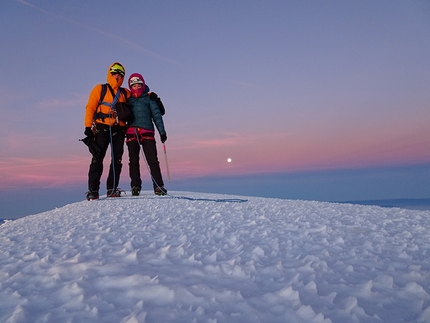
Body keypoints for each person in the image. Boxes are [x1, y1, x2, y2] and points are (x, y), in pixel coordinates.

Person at [83, 62, 130, 200]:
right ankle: (93, 190)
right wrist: (87, 127)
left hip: (119, 129)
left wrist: (150, 93)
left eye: (120, 74)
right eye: (114, 73)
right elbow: (90, 107)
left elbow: (138, 96)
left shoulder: (125, 93)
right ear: (110, 73)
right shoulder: (99, 89)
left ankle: (112, 188)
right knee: (97, 158)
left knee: (117, 159)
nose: (117, 76)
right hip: (101, 127)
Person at [126, 73, 167, 196]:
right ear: (130, 86)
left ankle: (158, 186)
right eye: (134, 85)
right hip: (131, 133)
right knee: (133, 162)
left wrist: (162, 132)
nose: (137, 87)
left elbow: (157, 116)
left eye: (139, 84)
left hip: (147, 132)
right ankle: (135, 186)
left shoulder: (150, 99)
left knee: (153, 161)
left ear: (143, 84)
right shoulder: (128, 100)